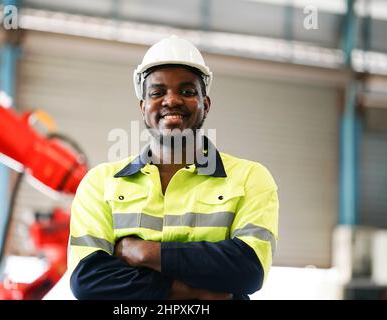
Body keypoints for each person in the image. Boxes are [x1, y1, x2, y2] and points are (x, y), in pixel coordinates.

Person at [68, 35, 279, 300]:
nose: (172, 100)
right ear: (143, 107)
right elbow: (88, 280)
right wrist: (188, 291)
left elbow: (248, 270)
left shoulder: (249, 178)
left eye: (187, 91)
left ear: (206, 105)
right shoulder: (100, 183)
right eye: (157, 92)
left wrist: (146, 253)